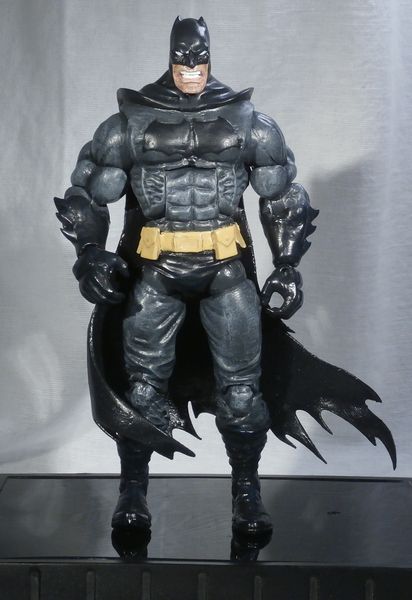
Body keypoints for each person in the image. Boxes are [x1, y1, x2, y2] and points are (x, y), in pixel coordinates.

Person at [55, 17, 395, 535]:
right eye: (182, 60)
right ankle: (132, 491)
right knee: (142, 388)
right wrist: (88, 253)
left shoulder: (248, 122)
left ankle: (246, 491)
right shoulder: (128, 124)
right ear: (171, 58)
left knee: (242, 392)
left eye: (199, 59)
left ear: (209, 57)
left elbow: (283, 197)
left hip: (225, 272)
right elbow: (86, 192)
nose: (191, 69)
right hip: (157, 270)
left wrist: (287, 265)